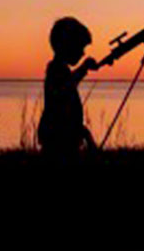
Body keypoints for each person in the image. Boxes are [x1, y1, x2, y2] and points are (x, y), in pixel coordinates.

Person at [37, 16, 99, 156]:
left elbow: (69, 83)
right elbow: (64, 89)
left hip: (65, 136)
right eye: (80, 47)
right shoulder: (55, 69)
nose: (83, 53)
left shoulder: (61, 71)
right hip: (57, 137)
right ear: (67, 46)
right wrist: (83, 68)